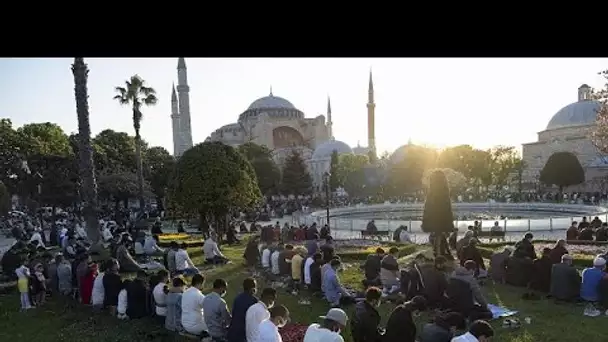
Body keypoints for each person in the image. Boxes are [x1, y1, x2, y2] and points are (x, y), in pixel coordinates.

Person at [227, 278, 259, 342]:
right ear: (252, 289)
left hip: (233, 331)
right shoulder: (254, 301)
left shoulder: (237, 298)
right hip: (243, 333)